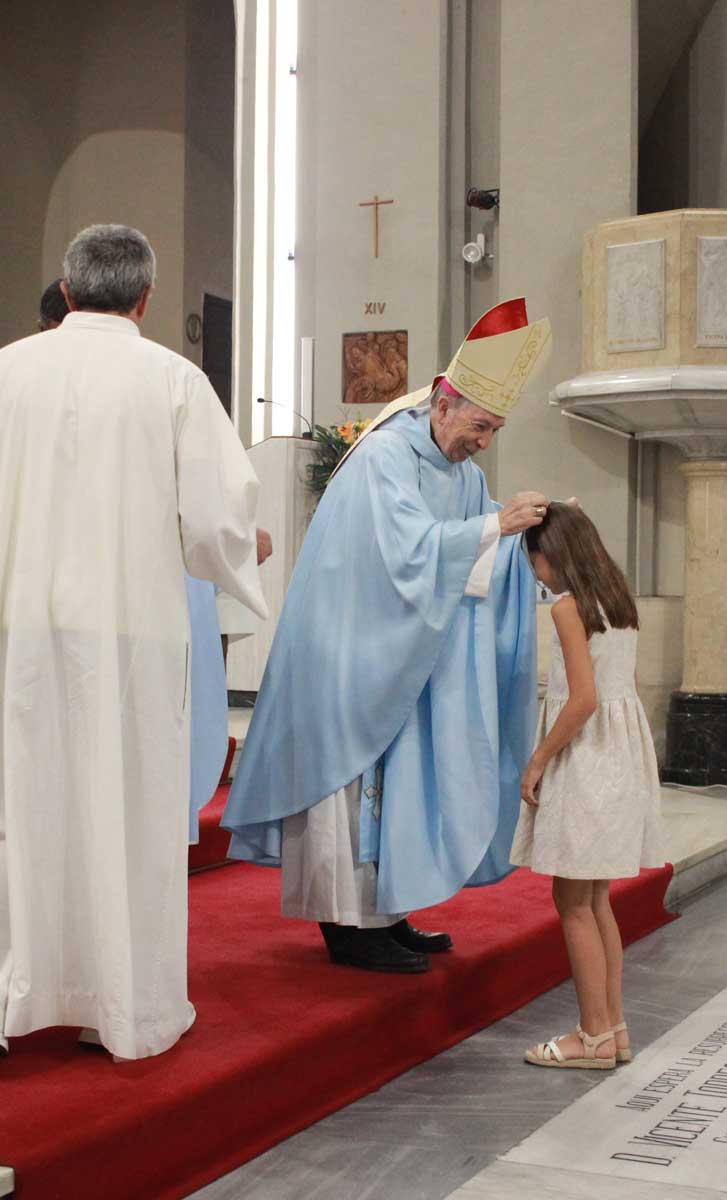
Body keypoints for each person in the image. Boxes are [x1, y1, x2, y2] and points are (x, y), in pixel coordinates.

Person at [0, 225, 266, 1063]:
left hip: (22, 623)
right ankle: (117, 1008)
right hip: (131, 629)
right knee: (124, 807)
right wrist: (238, 555)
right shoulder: (175, 379)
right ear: (146, 299)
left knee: (3, 804)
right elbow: (214, 522)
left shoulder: (1, 372)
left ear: (68, 289)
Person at [224, 297, 554, 973]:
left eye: (494, 431)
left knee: (397, 781)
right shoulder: (385, 458)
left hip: (396, 653)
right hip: (347, 658)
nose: (484, 442)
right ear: (444, 405)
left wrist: (533, 538)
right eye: (481, 426)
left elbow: (473, 546)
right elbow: (406, 552)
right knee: (349, 789)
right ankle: (345, 923)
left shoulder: (460, 472)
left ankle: (385, 911)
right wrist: (497, 529)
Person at [512, 504, 664, 1070]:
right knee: (596, 900)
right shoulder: (617, 604)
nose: (538, 576)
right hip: (619, 755)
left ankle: (592, 1036)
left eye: (537, 564)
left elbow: (581, 700)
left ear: (552, 555)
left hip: (585, 757)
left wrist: (537, 760)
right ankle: (614, 1030)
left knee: (572, 899)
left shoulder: (569, 609)